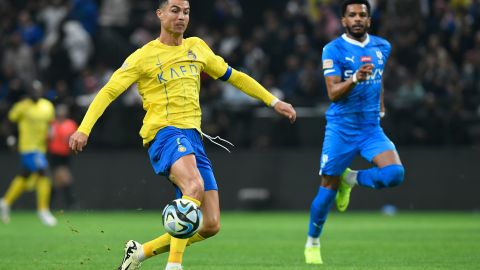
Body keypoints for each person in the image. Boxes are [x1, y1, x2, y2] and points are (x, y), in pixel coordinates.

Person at [68, 0, 297, 269]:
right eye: (175, 10)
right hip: (165, 133)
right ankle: (174, 265)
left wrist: (273, 101)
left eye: (186, 12)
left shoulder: (197, 47)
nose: (181, 17)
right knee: (193, 188)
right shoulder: (143, 56)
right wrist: (84, 128)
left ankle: (140, 252)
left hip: (193, 136)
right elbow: (108, 91)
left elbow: (235, 77)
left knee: (211, 224)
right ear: (160, 14)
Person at [304, 0, 405, 264]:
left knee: (395, 174)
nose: (357, 18)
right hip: (341, 128)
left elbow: (379, 78)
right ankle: (312, 241)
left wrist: (381, 103)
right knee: (326, 190)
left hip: (370, 127)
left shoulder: (383, 46)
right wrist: (355, 79)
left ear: (369, 20)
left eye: (362, 15)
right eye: (352, 15)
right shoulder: (333, 49)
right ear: (344, 21)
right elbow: (333, 92)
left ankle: (352, 179)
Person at [0, 81, 58, 226]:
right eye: (33, 91)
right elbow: (8, 122)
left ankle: (5, 201)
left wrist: (51, 132)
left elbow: (51, 124)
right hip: (28, 147)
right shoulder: (22, 106)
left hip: (41, 148)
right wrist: (10, 137)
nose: (35, 93)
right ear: (28, 92)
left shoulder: (47, 105)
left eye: (38, 91)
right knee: (44, 172)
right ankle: (43, 210)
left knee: (25, 175)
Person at [48, 104, 78, 209]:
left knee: (57, 182)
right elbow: (48, 138)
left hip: (65, 155)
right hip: (55, 155)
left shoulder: (70, 124)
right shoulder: (53, 124)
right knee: (66, 179)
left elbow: (73, 137)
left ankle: (47, 205)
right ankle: (72, 203)